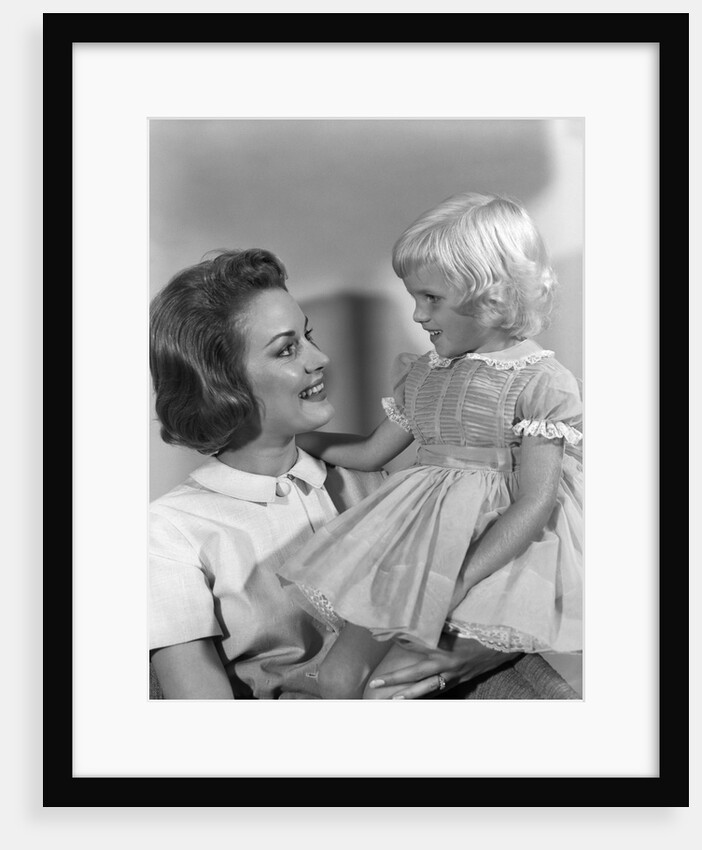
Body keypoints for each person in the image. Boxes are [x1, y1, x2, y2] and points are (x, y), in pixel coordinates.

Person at [148, 246, 563, 700]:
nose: (320, 357)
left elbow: (513, 585)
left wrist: (470, 656)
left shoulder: (385, 486)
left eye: (308, 336)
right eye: (288, 349)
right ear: (220, 383)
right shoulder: (170, 532)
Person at [278, 192, 583, 699]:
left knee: (391, 684)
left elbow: (535, 501)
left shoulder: (541, 383)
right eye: (413, 297)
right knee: (337, 678)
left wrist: (458, 579)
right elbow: (374, 452)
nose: (418, 315)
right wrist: (294, 436)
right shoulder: (423, 374)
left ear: (492, 297)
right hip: (416, 545)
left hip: (492, 556)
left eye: (431, 298)